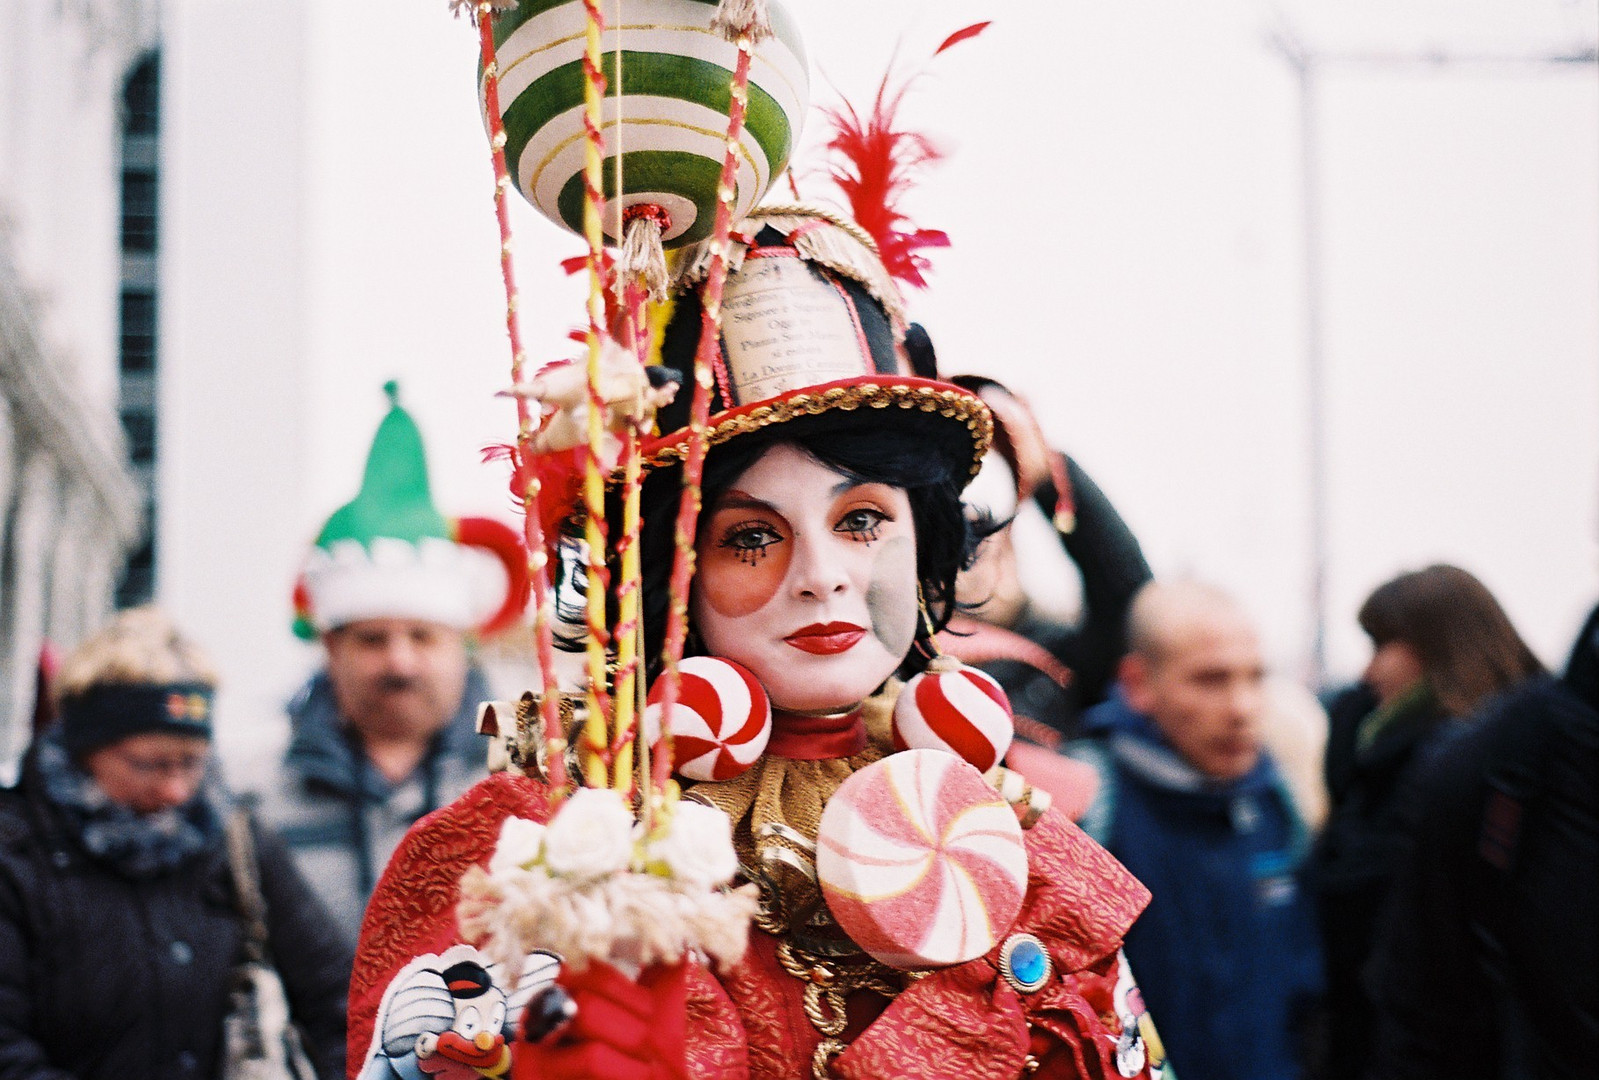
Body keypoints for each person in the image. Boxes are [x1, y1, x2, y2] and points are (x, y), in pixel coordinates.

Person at [348, 207, 1169, 1080]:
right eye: (749, 536)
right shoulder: (548, 846)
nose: (821, 575)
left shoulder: (1006, 834)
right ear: (672, 574)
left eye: (861, 521)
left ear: (926, 545)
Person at [0, 607, 351, 1080]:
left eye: (191, 763)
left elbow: (338, 1001)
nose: (176, 790)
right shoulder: (16, 853)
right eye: (149, 764)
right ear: (85, 751)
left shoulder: (235, 841)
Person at [242, 383, 529, 948]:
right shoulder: (253, 797)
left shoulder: (530, 787)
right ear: (330, 648)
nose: (399, 662)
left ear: (462, 644)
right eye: (373, 639)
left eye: (422, 637)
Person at [1066, 581, 1323, 1080]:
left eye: (1256, 678)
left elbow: (1303, 991)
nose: (1242, 708)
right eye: (1211, 680)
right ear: (1139, 684)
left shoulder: (1276, 804)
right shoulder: (1088, 807)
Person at [1313, 564, 1543, 1080]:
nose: (1369, 673)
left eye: (1380, 646)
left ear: (1433, 646)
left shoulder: (1436, 767)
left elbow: (1357, 889)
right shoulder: (1505, 748)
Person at [1365, 600, 1599, 1079]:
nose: (1369, 669)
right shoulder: (1491, 766)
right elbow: (1423, 1007)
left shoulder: (1493, 756)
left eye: (1382, 643)